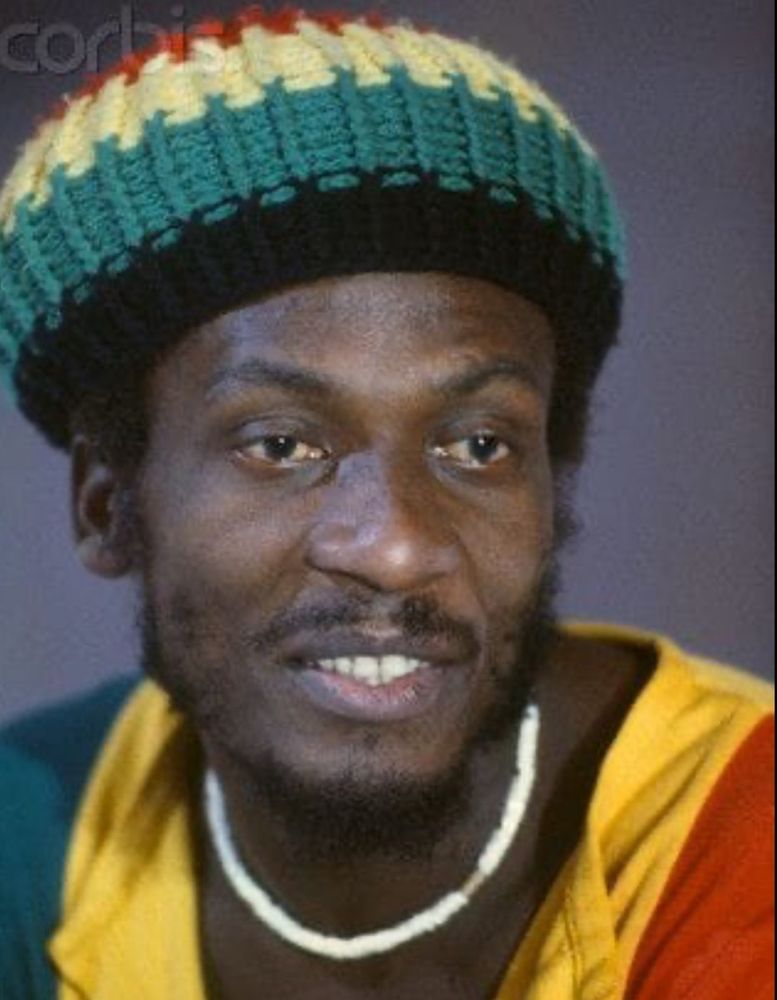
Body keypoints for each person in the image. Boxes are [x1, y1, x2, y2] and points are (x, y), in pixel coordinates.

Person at [0, 7, 773, 999]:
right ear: (107, 506)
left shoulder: (737, 845)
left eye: (478, 446)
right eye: (281, 445)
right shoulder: (36, 837)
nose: (395, 548)